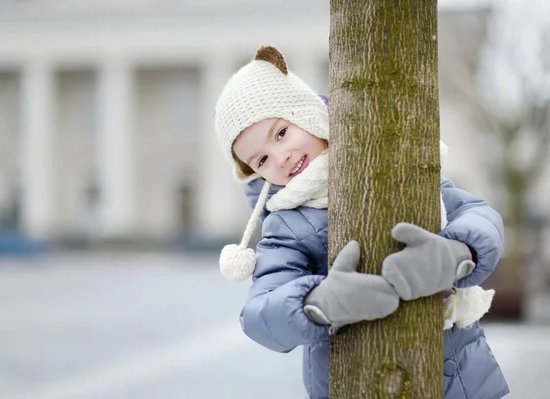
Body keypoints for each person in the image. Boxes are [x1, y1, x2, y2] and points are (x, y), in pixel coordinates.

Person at [214, 45, 509, 399]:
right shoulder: (285, 224)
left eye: (281, 133)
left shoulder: (391, 156)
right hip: (355, 378)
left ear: (306, 113)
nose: (281, 157)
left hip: (454, 371)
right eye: (261, 160)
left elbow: (478, 214)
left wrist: (458, 252)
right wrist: (319, 303)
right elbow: (260, 312)